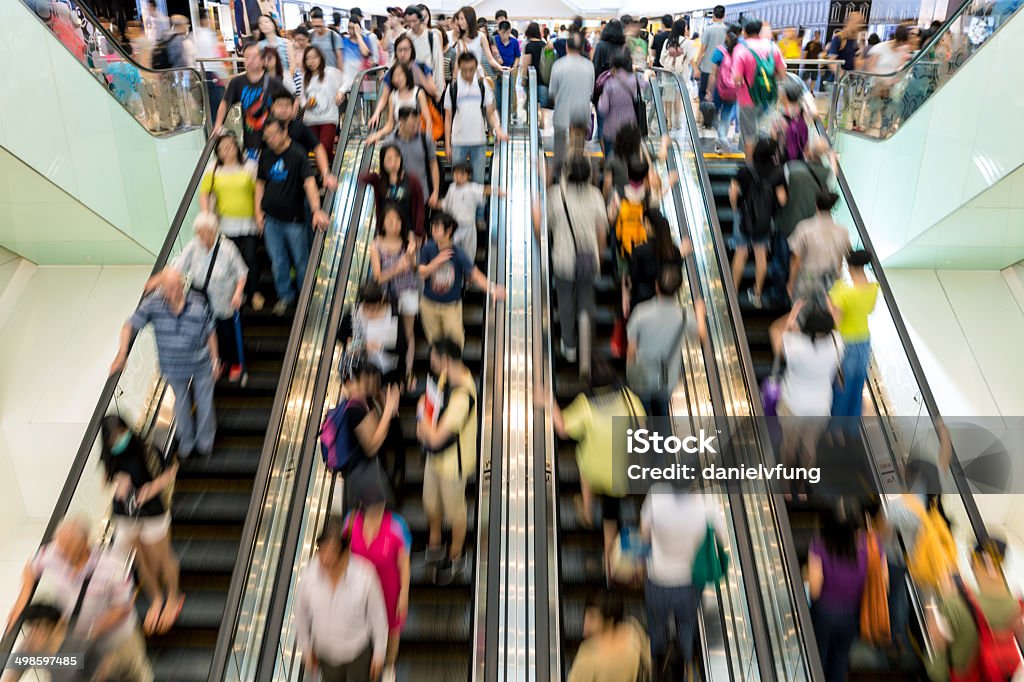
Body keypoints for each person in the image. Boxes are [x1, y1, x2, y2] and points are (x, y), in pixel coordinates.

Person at [6, 519, 152, 681]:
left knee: (132, 673)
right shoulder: (54, 553)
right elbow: (31, 567)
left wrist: (88, 633)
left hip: (116, 640)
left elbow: (123, 608)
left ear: (84, 544)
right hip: (80, 643)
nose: (61, 554)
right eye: (60, 546)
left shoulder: (112, 566)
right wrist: (22, 600)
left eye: (68, 547)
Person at [547, 358, 646, 571]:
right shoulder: (629, 398)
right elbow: (643, 429)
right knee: (611, 514)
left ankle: (587, 510)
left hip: (593, 468)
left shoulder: (586, 405)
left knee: (583, 462)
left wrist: (549, 400)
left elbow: (563, 429)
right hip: (620, 474)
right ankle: (610, 564)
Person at [112, 270, 217, 458]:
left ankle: (205, 443)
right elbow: (129, 325)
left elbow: (210, 332)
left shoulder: (198, 304)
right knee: (182, 404)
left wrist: (215, 360)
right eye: (169, 288)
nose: (174, 292)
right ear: (162, 288)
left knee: (205, 403)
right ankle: (186, 440)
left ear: (182, 285)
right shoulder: (154, 305)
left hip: (201, 363)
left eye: (177, 287)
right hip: (173, 367)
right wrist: (122, 354)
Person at [98, 414, 181, 637]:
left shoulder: (145, 448)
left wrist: (147, 491)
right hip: (125, 515)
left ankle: (173, 597)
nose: (118, 440)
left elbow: (169, 473)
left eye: (121, 434)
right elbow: (105, 482)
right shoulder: (108, 454)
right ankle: (156, 599)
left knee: (162, 557)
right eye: (113, 438)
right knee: (141, 560)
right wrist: (117, 485)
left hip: (152, 512)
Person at [641, 482, 727, 680]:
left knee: (656, 627)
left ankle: (658, 671)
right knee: (686, 627)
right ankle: (685, 672)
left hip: (658, 581)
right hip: (690, 583)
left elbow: (644, 535)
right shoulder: (708, 503)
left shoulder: (656, 496)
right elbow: (722, 539)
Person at [416, 338, 479, 584]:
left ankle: (456, 557)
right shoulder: (446, 378)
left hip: (454, 465)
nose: (431, 363)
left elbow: (433, 437)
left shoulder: (463, 396)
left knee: (455, 514)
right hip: (436, 460)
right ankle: (434, 547)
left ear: (445, 360)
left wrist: (422, 422)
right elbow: (427, 401)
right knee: (430, 503)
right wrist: (424, 416)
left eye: (434, 359)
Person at [533, 154, 608, 363]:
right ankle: (586, 344)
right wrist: (599, 257)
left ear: (566, 174)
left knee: (565, 301)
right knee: (586, 300)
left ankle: (570, 345)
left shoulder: (555, 195)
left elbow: (541, 230)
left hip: (563, 260)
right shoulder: (595, 195)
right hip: (587, 259)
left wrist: (536, 219)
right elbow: (602, 233)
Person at [294, 519, 389, 682]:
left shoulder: (365, 575)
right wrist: (306, 648)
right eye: (322, 551)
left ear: (346, 553)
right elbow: (300, 613)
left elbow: (378, 616)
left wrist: (379, 653)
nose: (325, 558)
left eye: (332, 552)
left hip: (357, 653)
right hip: (325, 656)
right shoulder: (309, 575)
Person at [256, 117, 330, 315]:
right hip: (271, 220)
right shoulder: (266, 155)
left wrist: (316, 210)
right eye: (266, 136)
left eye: (272, 135)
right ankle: (285, 296)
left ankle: (306, 298)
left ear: (283, 132)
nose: (269, 139)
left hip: (294, 220)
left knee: (301, 261)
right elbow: (260, 184)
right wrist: (258, 213)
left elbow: (309, 183)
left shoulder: (297, 154)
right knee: (278, 262)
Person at [926, 540, 1024, 682]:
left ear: (976, 565)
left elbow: (937, 639)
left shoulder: (956, 604)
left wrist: (945, 597)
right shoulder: (1017, 606)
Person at [171, 213, 249, 381]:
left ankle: (235, 363)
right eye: (197, 232)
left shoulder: (227, 248)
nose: (199, 236)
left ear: (212, 230)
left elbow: (242, 273)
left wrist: (237, 294)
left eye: (202, 232)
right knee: (208, 332)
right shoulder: (194, 245)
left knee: (226, 332)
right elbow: (178, 268)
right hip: (201, 299)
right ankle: (217, 361)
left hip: (224, 300)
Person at [770, 300, 844, 475]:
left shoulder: (795, 346)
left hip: (794, 404)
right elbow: (837, 321)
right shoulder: (837, 344)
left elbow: (774, 330)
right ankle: (803, 486)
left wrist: (792, 315)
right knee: (810, 445)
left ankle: (786, 485)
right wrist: (831, 311)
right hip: (820, 407)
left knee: (789, 445)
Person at [344, 502, 411, 682]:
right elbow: (343, 552)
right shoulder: (351, 521)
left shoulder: (396, 525)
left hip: (389, 591)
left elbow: (404, 562)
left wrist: (404, 594)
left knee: (392, 630)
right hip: (360, 592)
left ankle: (389, 666)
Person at [627, 265, 706, 417]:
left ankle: (643, 434)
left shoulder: (640, 312)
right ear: (679, 288)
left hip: (642, 377)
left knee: (641, 414)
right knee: (662, 412)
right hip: (667, 379)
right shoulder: (684, 315)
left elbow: (631, 352)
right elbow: (701, 336)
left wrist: (631, 376)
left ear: (656, 286)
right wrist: (700, 313)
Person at [807, 509, 876, 682]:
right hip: (852, 613)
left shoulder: (819, 545)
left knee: (818, 656)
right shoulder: (871, 546)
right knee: (841, 658)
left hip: (824, 613)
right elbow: (883, 581)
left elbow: (815, 590)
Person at [418, 212, 505, 347]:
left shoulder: (458, 253)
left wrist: (492, 288)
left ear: (448, 231)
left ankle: (454, 367)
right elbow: (422, 272)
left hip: (451, 307)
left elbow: (475, 275)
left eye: (437, 227)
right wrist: (436, 263)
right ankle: (441, 368)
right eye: (432, 226)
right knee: (435, 343)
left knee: (456, 343)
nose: (433, 230)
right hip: (428, 304)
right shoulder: (428, 248)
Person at [443, 51, 508, 217]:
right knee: (458, 184)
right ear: (459, 69)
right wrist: (447, 144)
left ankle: (477, 218)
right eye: (464, 70)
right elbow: (448, 117)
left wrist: (497, 129)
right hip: (458, 141)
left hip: (479, 141)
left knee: (478, 183)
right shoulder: (453, 87)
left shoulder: (482, 85)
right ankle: (457, 216)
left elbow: (490, 111)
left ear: (476, 67)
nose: (468, 74)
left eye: (471, 69)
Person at [200, 135, 260, 313]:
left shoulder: (250, 166)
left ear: (237, 146)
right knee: (231, 261)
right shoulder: (213, 169)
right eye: (223, 147)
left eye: (230, 145)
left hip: (248, 223)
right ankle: (237, 294)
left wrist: (259, 213)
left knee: (250, 257)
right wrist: (206, 216)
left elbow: (258, 190)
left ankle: (255, 292)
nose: (227, 149)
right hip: (225, 225)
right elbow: (204, 193)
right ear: (217, 152)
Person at [729, 138, 787, 308]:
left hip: (743, 218)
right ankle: (757, 294)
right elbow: (782, 200)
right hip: (764, 220)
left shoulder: (745, 171)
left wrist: (735, 210)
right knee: (761, 256)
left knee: (740, 254)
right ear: (773, 154)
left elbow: (732, 193)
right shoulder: (778, 173)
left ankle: (733, 292)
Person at [214, 41, 291, 159]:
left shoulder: (273, 82)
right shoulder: (237, 82)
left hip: (272, 141)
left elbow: (294, 101)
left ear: (262, 60)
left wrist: (291, 123)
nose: (249, 61)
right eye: (246, 57)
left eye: (254, 57)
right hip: (250, 142)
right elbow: (225, 103)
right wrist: (218, 125)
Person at [371, 202, 419, 385]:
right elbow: (378, 278)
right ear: (382, 223)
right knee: (386, 334)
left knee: (408, 333)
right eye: (390, 220)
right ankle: (386, 374)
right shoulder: (376, 245)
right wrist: (397, 268)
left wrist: (412, 255)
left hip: (408, 290)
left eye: (398, 220)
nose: (394, 224)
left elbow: (414, 270)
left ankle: (408, 371)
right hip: (386, 296)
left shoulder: (408, 240)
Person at [829, 249, 878, 421]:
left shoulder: (841, 290)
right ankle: (850, 428)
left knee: (842, 385)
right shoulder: (873, 288)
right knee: (857, 386)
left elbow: (834, 319)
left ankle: (835, 429)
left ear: (850, 267)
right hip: (864, 340)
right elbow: (870, 310)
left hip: (845, 342)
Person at [3, 602, 103, 681]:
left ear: (58, 627)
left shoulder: (82, 651)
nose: (33, 635)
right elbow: (10, 677)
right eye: (31, 628)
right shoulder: (31, 647)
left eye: (39, 627)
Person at [732, 19, 788, 160]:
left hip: (747, 98)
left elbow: (737, 78)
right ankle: (767, 163)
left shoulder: (741, 48)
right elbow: (782, 72)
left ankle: (751, 168)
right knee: (766, 131)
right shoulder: (772, 46)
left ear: (745, 32)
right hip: (769, 97)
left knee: (750, 135)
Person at [566, 590, 651, 681]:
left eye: (592, 617)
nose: (585, 624)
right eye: (585, 615)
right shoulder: (633, 629)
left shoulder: (588, 655)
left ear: (609, 620)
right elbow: (648, 662)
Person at [787, 190, 852, 305]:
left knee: (802, 314)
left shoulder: (804, 227)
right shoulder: (843, 231)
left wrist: (791, 281)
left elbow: (796, 259)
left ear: (816, 205)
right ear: (833, 207)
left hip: (808, 279)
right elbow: (845, 257)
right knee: (826, 316)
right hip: (831, 280)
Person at [269, 92, 339, 191]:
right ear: (272, 107)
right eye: (280, 105)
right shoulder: (266, 128)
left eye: (287, 106)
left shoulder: (300, 128)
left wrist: (325, 174)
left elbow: (318, 148)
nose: (284, 109)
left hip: (300, 184)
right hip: (274, 182)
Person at [548, 32, 595, 176]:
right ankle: (577, 173)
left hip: (562, 112)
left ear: (567, 47)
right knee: (578, 146)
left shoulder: (558, 65)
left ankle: (559, 172)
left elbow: (552, 92)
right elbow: (591, 91)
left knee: (560, 145)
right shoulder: (589, 65)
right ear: (581, 48)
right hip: (581, 112)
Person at [442, 162, 502, 266]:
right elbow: (446, 204)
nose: (458, 177)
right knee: (449, 249)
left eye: (462, 174)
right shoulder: (451, 187)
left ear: (468, 175)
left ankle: (468, 273)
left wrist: (498, 191)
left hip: (469, 226)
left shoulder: (472, 187)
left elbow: (485, 190)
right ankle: (451, 269)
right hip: (454, 225)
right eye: (456, 174)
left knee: (469, 251)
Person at [362, 143, 426, 239]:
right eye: (389, 159)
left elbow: (419, 207)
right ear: (382, 161)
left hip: (407, 233)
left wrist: (418, 232)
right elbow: (361, 178)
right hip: (386, 233)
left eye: (397, 158)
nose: (393, 162)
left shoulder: (412, 180)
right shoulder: (379, 181)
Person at [368, 62, 435, 144]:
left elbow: (428, 120)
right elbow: (390, 124)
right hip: (399, 141)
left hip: (416, 139)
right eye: (394, 76)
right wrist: (378, 134)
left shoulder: (418, 93)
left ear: (406, 75)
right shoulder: (392, 96)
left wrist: (427, 141)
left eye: (400, 75)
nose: (397, 79)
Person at [300, 46, 345, 163]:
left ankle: (331, 169)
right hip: (310, 120)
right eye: (308, 59)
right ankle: (331, 166)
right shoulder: (305, 77)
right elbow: (302, 98)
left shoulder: (330, 72)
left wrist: (341, 92)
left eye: (314, 57)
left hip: (328, 119)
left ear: (321, 57)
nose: (311, 61)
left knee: (324, 148)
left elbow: (347, 80)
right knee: (317, 150)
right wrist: (306, 105)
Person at [707, 24, 741, 150]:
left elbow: (713, 73)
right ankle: (722, 139)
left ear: (727, 35)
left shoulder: (719, 50)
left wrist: (709, 91)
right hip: (734, 89)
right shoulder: (740, 51)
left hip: (719, 88)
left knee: (715, 114)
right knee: (726, 115)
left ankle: (721, 137)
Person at [597, 49, 638, 155]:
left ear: (614, 68)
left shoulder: (610, 85)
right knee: (627, 157)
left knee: (611, 160)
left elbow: (603, 109)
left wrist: (601, 98)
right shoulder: (633, 81)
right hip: (629, 129)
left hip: (611, 130)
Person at [659, 19, 698, 128]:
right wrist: (696, 70)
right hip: (680, 75)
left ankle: (668, 122)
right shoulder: (688, 43)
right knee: (677, 98)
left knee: (668, 98)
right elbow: (691, 59)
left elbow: (662, 60)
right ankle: (676, 122)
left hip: (667, 73)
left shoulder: (668, 41)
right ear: (683, 29)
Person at [400, 5, 445, 96]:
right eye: (409, 22)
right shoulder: (406, 37)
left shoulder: (432, 37)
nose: (412, 25)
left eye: (414, 21)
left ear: (421, 20)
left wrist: (438, 91)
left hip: (429, 84)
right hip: (411, 85)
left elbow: (438, 63)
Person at [451, 6, 506, 76]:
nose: (459, 22)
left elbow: (490, 59)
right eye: (459, 19)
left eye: (462, 19)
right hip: (463, 75)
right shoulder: (460, 39)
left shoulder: (481, 36)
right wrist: (454, 77)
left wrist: (500, 67)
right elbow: (457, 61)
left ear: (469, 19)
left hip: (477, 75)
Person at [340, 13, 379, 95]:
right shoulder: (344, 42)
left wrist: (358, 34)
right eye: (349, 27)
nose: (350, 30)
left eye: (353, 28)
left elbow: (365, 53)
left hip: (365, 79)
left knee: (369, 105)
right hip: (349, 81)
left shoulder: (365, 39)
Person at [694, 5, 727, 101]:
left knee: (704, 95)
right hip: (722, 69)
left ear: (713, 15)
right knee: (718, 96)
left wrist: (696, 67)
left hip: (707, 68)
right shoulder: (728, 30)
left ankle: (706, 115)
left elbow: (702, 50)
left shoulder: (708, 29)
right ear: (724, 15)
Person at [520, 22, 549, 112]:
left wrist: (524, 79)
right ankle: (542, 121)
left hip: (531, 79)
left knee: (532, 102)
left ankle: (533, 122)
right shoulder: (544, 44)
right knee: (543, 105)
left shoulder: (529, 46)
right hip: (543, 79)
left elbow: (526, 63)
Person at [288, 26, 311, 101]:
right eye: (298, 40)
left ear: (308, 38)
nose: (301, 42)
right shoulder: (292, 50)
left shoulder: (311, 50)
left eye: (303, 40)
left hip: (309, 81)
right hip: (297, 84)